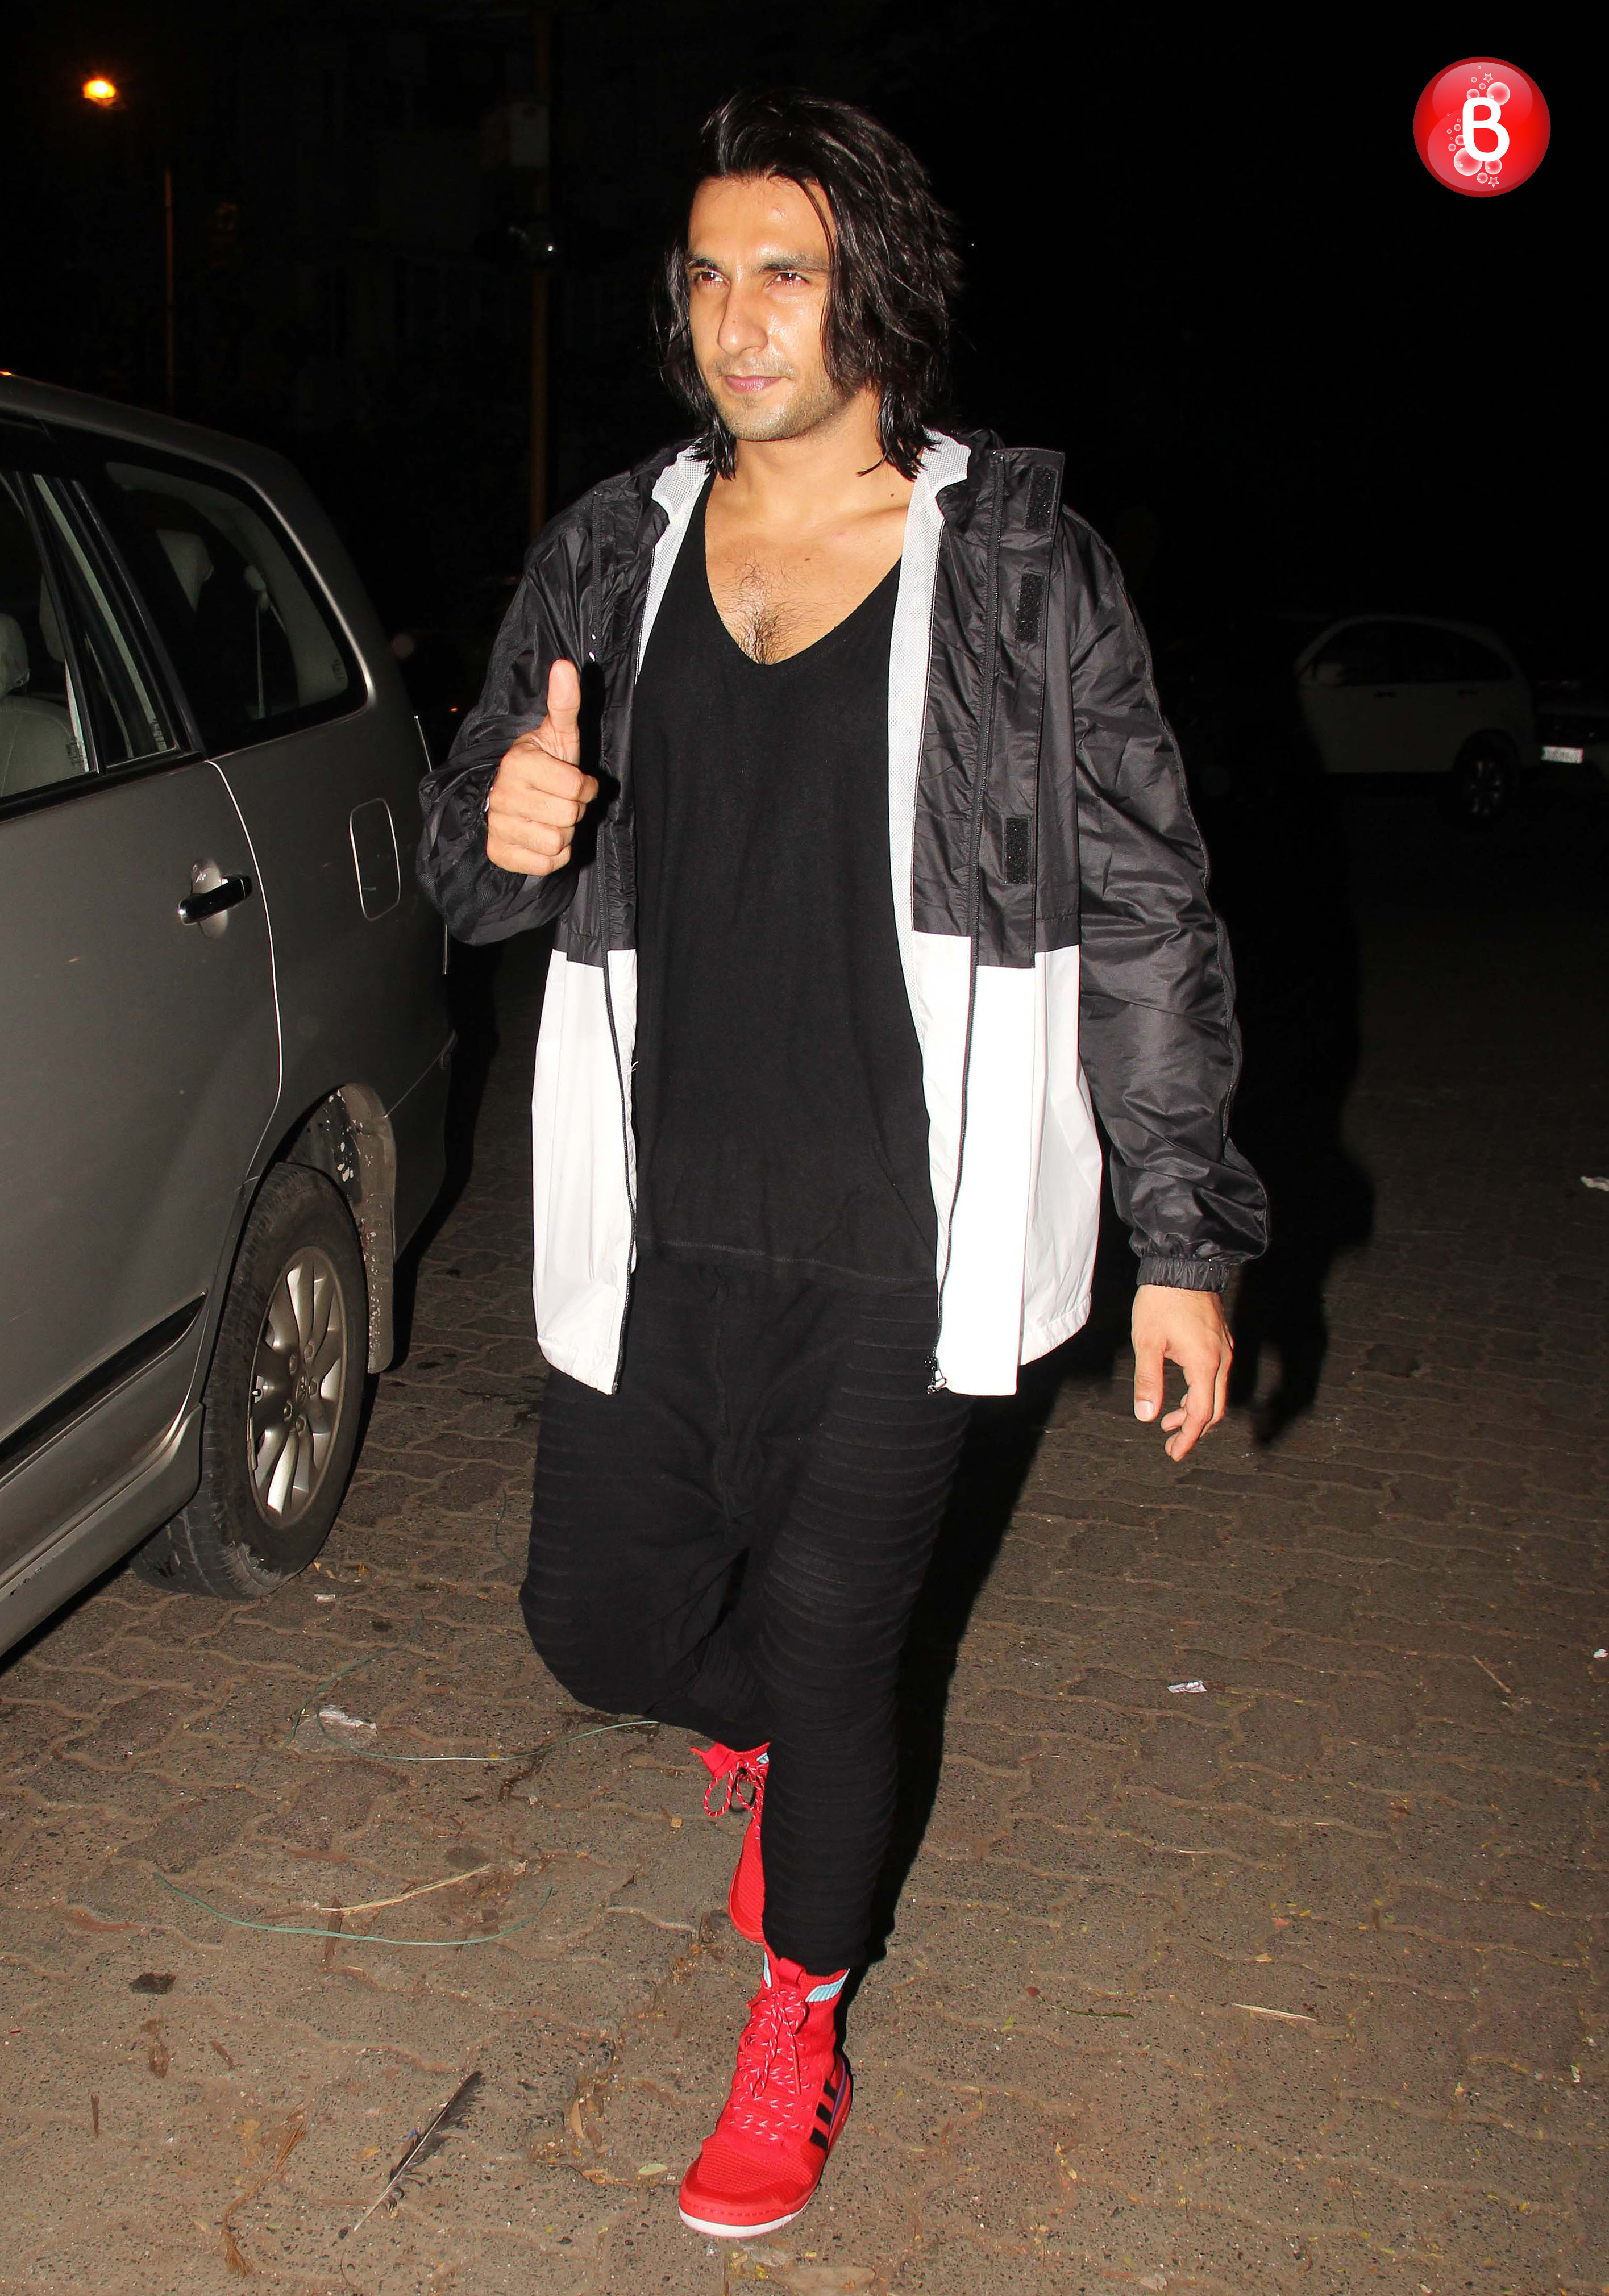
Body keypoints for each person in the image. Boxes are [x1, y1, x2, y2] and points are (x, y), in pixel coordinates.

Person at [417, 89, 1266, 2242]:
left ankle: (802, 2009)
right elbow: (469, 848)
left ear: (874, 288)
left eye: (781, 272)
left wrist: (1183, 1232)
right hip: (658, 1208)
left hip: (911, 1229)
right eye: (707, 275)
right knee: (597, 1627)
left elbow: (1148, 907)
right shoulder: (612, 550)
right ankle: (791, 1747)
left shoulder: (1022, 570)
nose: (737, 319)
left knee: (830, 1633)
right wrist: (503, 833)